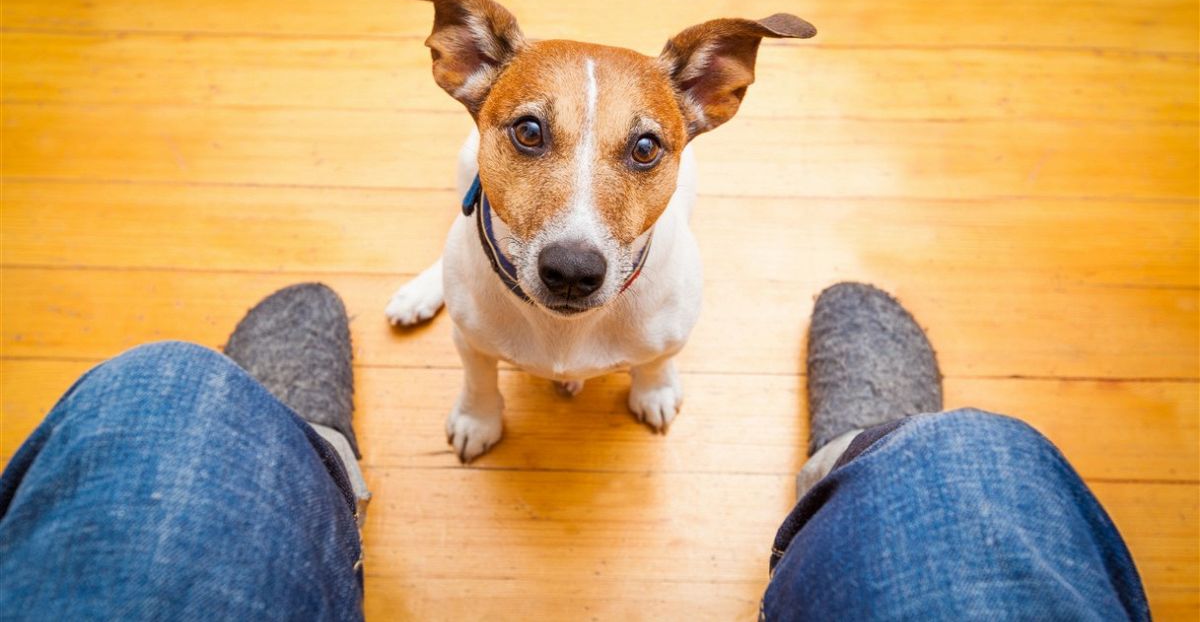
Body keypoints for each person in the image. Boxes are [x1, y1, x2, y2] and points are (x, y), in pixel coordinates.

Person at [0, 283, 1149, 621]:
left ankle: (281, 453)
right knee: (981, 476)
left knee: (162, 399)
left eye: (641, 153)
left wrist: (651, 368)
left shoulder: (662, 283)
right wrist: (482, 393)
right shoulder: (490, 264)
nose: (576, 240)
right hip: (489, 320)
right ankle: (886, 464)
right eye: (534, 140)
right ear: (457, 69)